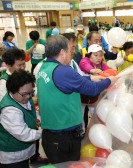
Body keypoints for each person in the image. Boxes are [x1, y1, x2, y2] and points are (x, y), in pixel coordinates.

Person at [36, 35, 117, 164]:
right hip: (64, 136)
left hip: (51, 134)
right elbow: (92, 90)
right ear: (62, 52)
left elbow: (71, 81)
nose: (72, 53)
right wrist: (109, 80)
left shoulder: (44, 67)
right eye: (69, 50)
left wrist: (90, 78)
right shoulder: (63, 70)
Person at [0, 70, 41, 168]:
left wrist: (39, 121)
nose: (28, 97)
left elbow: (32, 112)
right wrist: (46, 132)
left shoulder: (22, 96)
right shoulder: (9, 111)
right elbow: (24, 134)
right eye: (24, 94)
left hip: (21, 151)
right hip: (10, 156)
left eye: (31, 92)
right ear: (12, 91)